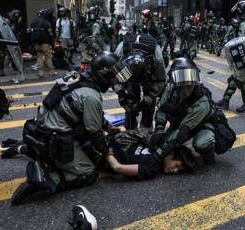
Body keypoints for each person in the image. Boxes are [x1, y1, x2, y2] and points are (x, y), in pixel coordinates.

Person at [10, 51, 120, 205]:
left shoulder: (75, 76)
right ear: (103, 74)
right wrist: (106, 149)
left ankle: (36, 152)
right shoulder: (92, 96)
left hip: (40, 129)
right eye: (113, 75)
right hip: (56, 139)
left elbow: (80, 110)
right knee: (89, 173)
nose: (114, 80)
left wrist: (108, 126)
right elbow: (94, 132)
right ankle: (47, 179)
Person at [153, 57, 234, 165]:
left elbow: (182, 133)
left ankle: (209, 155)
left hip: (202, 125)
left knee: (201, 143)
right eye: (182, 80)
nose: (186, 85)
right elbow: (161, 109)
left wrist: (157, 155)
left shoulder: (201, 101)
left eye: (189, 80)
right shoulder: (170, 88)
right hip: (181, 121)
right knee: (161, 141)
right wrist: (159, 130)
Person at [113, 33, 167, 130]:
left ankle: (146, 126)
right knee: (130, 97)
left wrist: (145, 102)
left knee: (149, 105)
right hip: (128, 72)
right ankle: (130, 125)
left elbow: (160, 82)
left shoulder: (157, 58)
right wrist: (121, 94)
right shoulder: (120, 51)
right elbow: (114, 77)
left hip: (149, 76)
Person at [106, 128, 196, 180]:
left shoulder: (152, 168)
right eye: (177, 165)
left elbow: (117, 167)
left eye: (179, 170)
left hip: (104, 155)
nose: (175, 171)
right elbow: (133, 134)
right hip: (109, 140)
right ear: (171, 154)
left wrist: (106, 152)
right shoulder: (154, 144)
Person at [215, 0, 245, 113]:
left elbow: (242, 40)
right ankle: (225, 101)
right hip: (239, 55)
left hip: (242, 56)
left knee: (242, 81)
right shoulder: (243, 22)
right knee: (234, 80)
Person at [29, 8, 55, 78]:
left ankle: (40, 73)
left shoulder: (33, 22)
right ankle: (51, 72)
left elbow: (30, 33)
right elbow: (50, 34)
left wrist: (31, 43)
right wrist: (52, 44)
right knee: (48, 57)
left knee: (39, 57)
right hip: (45, 43)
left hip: (37, 43)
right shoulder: (46, 22)